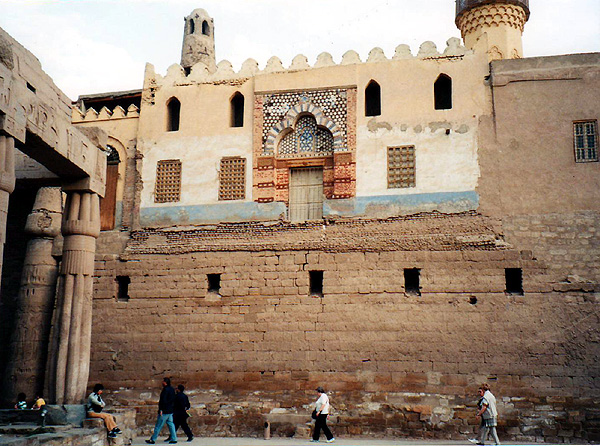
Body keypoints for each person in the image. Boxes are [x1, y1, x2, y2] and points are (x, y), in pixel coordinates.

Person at [146, 377, 177, 444]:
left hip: (165, 411)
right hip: (170, 410)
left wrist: (161, 409)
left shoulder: (165, 390)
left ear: (165, 382)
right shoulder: (172, 389)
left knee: (158, 425)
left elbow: (163, 401)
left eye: (163, 381)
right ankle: (174, 438)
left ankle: (153, 439)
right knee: (171, 424)